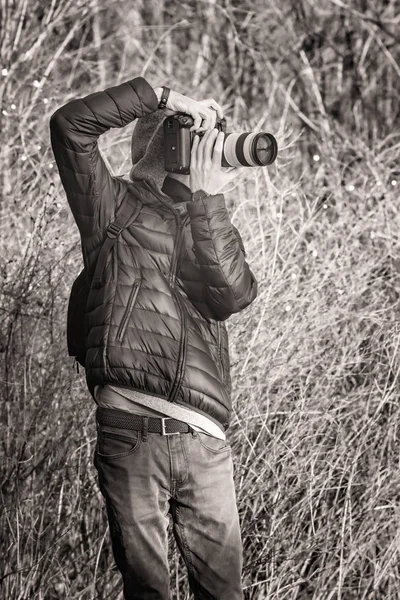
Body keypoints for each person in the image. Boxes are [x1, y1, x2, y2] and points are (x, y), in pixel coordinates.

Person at [50, 76, 258, 600]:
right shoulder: (112, 210)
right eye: (195, 141)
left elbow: (232, 294)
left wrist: (208, 200)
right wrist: (164, 99)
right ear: (163, 146)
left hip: (204, 440)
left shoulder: (206, 221)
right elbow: (70, 127)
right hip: (131, 430)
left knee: (225, 594)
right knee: (148, 592)